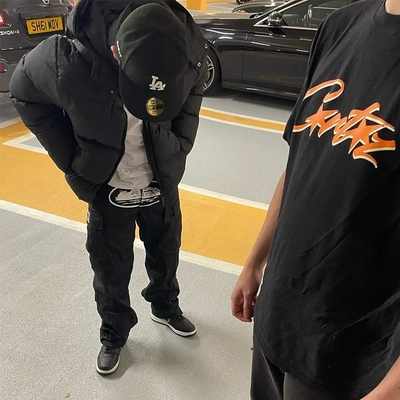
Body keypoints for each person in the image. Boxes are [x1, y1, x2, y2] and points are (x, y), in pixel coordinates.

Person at [9, 0, 207, 375]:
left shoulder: (185, 43)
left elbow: (196, 83)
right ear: (117, 53)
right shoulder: (66, 59)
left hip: (160, 180)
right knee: (109, 266)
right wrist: (73, 161)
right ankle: (114, 332)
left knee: (166, 250)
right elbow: (23, 89)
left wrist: (180, 146)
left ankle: (165, 306)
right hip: (107, 186)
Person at [231, 0, 400, 399]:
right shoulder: (341, 26)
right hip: (278, 314)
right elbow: (300, 162)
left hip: (353, 355)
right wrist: (255, 261)